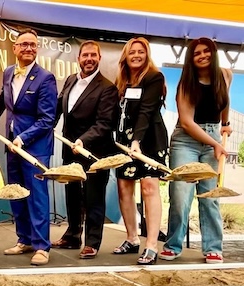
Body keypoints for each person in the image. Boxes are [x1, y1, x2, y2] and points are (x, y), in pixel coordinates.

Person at [0, 28, 57, 266]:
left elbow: (48, 119)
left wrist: (24, 138)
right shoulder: (8, 73)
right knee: (16, 193)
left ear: (37, 49)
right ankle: (24, 239)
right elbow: (1, 100)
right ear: (15, 48)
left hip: (34, 148)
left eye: (32, 45)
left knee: (37, 196)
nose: (28, 48)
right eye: (23, 44)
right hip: (11, 145)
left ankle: (41, 246)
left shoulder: (45, 78)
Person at [160, 37, 232, 264]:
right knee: (181, 195)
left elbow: (224, 99)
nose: (202, 56)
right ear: (191, 58)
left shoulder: (225, 74)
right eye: (197, 53)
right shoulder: (186, 84)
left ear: (213, 53)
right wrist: (215, 144)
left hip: (212, 136)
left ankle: (213, 247)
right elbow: (187, 122)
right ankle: (173, 245)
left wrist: (226, 123)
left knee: (210, 196)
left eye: (206, 51)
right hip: (186, 140)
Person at [52, 40, 118, 259]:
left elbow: (104, 123)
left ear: (99, 58)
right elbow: (58, 109)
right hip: (69, 149)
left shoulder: (108, 88)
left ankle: (92, 242)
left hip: (94, 152)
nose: (89, 59)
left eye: (93, 55)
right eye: (85, 55)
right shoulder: (70, 80)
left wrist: (82, 140)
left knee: (93, 197)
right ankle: (72, 235)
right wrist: (44, 126)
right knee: (72, 194)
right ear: (78, 58)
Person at [113, 37, 168, 265]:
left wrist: (136, 140)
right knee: (124, 187)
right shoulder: (122, 82)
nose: (136, 55)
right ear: (125, 56)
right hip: (124, 141)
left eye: (141, 52)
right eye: (132, 52)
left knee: (148, 187)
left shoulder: (154, 77)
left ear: (147, 55)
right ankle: (132, 238)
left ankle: (152, 245)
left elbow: (146, 111)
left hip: (149, 139)